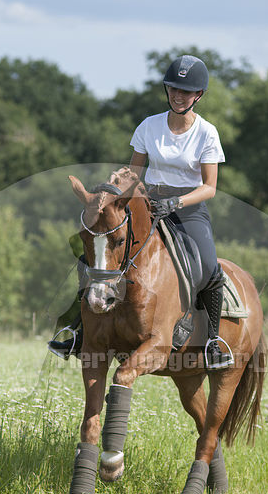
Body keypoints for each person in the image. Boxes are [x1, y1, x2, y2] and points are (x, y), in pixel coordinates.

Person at [49, 54, 233, 369]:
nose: (178, 95)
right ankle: (77, 331)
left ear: (198, 96)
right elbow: (134, 175)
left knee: (208, 267)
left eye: (185, 91)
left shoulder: (207, 133)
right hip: (146, 203)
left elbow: (210, 187)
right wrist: (115, 194)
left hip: (188, 209)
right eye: (173, 89)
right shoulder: (149, 126)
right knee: (95, 254)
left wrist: (175, 202)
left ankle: (213, 342)